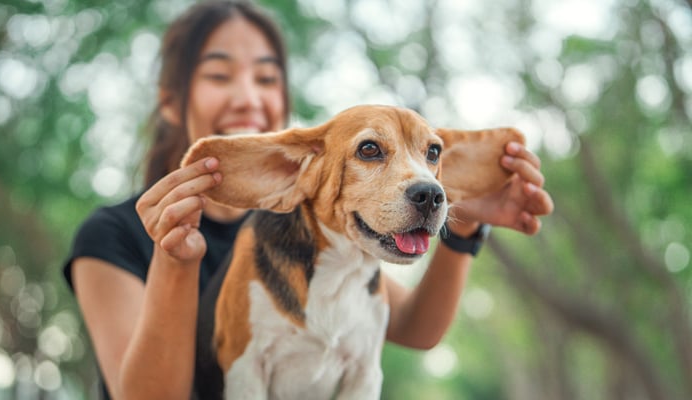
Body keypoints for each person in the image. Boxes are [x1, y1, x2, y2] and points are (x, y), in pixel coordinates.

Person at [63, 1, 555, 399]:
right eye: (219, 75)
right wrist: (173, 262)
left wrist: (465, 225)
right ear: (170, 99)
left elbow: (414, 328)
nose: (249, 98)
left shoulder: (334, 230)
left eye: (266, 77)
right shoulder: (110, 234)